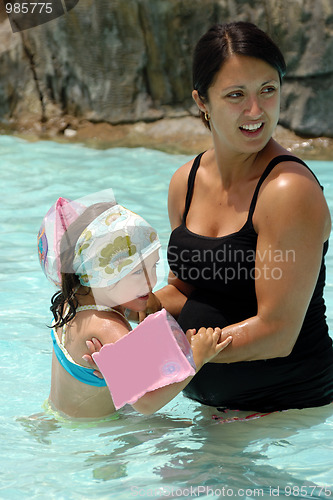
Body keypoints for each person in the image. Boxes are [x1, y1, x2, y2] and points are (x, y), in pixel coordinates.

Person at [145, 21, 333, 412]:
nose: (255, 111)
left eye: (268, 90)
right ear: (202, 101)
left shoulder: (287, 190)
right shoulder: (187, 181)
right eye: (236, 95)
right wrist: (141, 305)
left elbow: (277, 333)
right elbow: (186, 290)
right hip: (210, 410)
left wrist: (173, 358)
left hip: (287, 415)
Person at [38, 195, 232, 419]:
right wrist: (196, 357)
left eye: (153, 267)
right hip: (98, 433)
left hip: (59, 415)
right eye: (137, 272)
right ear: (98, 274)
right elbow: (146, 404)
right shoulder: (109, 328)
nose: (150, 283)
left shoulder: (70, 302)